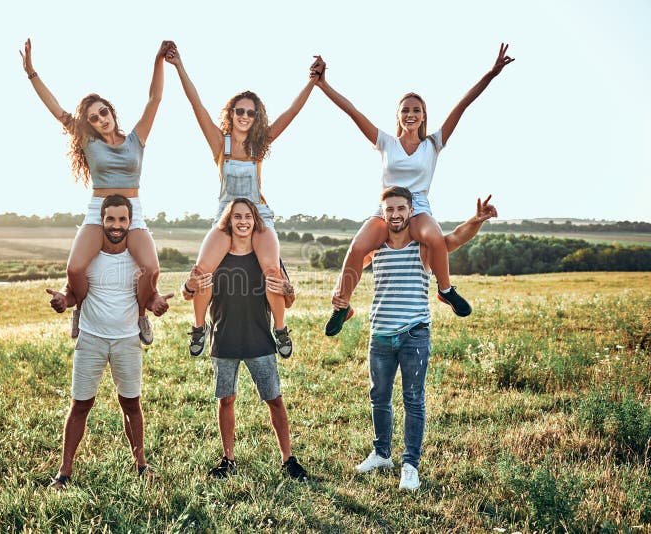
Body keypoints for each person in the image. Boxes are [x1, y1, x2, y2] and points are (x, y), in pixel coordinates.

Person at [312, 44, 514, 336]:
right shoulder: (385, 142)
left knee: (434, 237)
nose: (411, 114)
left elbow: (463, 104)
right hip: (388, 205)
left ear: (423, 116)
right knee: (357, 247)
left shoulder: (433, 144)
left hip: (417, 205)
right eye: (405, 109)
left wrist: (491, 74)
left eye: (416, 110)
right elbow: (351, 111)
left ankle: (445, 289)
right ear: (398, 115)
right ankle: (342, 305)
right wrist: (323, 84)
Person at [164, 42, 318, 358]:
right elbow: (197, 106)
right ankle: (198, 327)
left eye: (251, 112)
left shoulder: (260, 145)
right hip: (226, 215)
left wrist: (312, 82)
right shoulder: (220, 144)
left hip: (258, 214)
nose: (245, 116)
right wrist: (179, 66)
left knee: (272, 271)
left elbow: (292, 112)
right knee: (203, 269)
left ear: (256, 116)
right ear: (231, 114)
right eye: (240, 111)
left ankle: (280, 328)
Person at [341, 186, 497, 491]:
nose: (396, 215)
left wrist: (476, 220)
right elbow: (352, 263)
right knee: (379, 398)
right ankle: (382, 454)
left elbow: (452, 239)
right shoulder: (376, 247)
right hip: (381, 336)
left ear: (411, 211)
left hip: (414, 334)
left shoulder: (423, 247)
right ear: (382, 213)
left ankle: (410, 465)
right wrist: (340, 294)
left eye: (401, 209)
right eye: (390, 210)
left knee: (413, 400)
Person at [21, 38, 174, 344]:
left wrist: (158, 61)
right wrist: (31, 73)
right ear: (88, 124)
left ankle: (141, 315)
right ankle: (78, 305)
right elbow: (57, 110)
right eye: (93, 118)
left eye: (103, 112)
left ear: (111, 112)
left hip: (132, 210)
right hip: (98, 210)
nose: (101, 119)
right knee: (75, 267)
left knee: (152, 268)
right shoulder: (89, 142)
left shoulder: (135, 140)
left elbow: (154, 99)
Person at [45, 194, 173, 490]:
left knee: (131, 403)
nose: (116, 225)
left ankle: (141, 465)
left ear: (131, 221)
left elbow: (150, 294)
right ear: (101, 221)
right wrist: (63, 301)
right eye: (110, 219)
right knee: (80, 405)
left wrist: (156, 304)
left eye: (122, 219)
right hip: (91, 338)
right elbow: (72, 292)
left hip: (127, 340)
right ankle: (64, 473)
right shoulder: (89, 257)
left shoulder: (137, 258)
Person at [181, 198, 307, 482]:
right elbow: (189, 290)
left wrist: (288, 288)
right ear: (228, 220)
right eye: (237, 216)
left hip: (259, 338)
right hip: (224, 337)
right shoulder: (215, 255)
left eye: (247, 217)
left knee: (274, 399)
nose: (242, 221)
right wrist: (187, 286)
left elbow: (289, 299)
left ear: (255, 221)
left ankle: (288, 459)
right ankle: (228, 459)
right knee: (226, 400)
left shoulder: (267, 257)